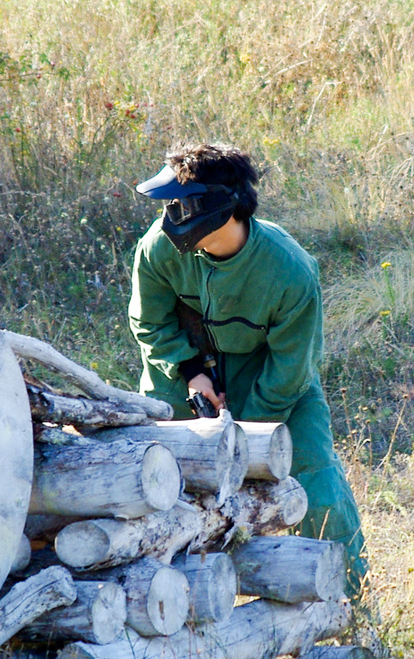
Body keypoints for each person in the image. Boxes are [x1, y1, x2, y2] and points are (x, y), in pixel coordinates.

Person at [126, 141, 366, 597]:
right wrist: (191, 371)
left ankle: (348, 599)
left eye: (179, 205)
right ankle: (163, 597)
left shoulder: (289, 269)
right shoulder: (158, 248)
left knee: (312, 472)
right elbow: (149, 322)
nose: (168, 217)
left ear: (218, 207)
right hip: (183, 374)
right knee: (158, 474)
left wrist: (249, 434)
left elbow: (292, 368)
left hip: (271, 380)